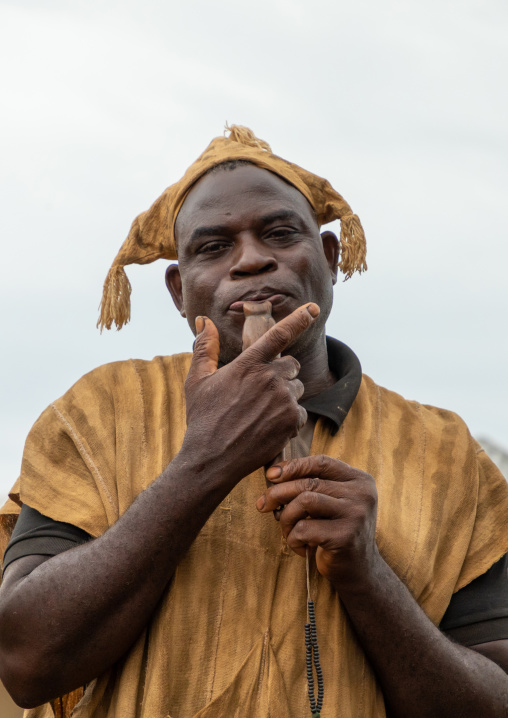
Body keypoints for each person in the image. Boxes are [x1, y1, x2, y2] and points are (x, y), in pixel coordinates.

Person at [0, 125, 507, 718]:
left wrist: (368, 575)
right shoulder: (97, 412)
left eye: (279, 233)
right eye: (213, 247)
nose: (251, 259)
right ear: (177, 289)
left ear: (330, 256)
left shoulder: (446, 455)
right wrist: (204, 462)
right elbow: (25, 663)